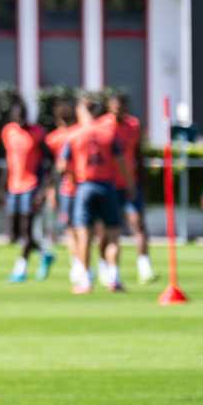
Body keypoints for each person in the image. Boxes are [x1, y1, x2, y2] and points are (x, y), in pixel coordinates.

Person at [58, 95, 131, 294]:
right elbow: (121, 162)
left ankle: (85, 281)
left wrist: (73, 179)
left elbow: (62, 166)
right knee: (113, 235)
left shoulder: (74, 134)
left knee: (84, 236)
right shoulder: (109, 133)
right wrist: (129, 185)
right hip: (107, 186)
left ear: (81, 111)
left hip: (85, 187)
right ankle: (113, 279)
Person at [99, 94, 157, 285]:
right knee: (107, 230)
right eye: (114, 107)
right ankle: (104, 265)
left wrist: (142, 179)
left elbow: (138, 153)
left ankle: (144, 266)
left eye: (121, 107)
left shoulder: (133, 125)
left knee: (137, 223)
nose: (118, 111)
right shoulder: (102, 125)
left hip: (130, 183)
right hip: (109, 184)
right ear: (109, 107)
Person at [0, 101, 49, 283]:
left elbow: (47, 163)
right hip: (14, 186)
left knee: (27, 228)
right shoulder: (8, 132)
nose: (20, 120)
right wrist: (1, 188)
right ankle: (44, 253)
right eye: (17, 116)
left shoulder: (37, 133)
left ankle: (21, 269)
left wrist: (43, 189)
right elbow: (9, 161)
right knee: (14, 234)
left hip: (31, 186)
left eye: (23, 116)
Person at [41, 101, 78, 281]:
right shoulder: (81, 133)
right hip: (85, 185)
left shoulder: (53, 139)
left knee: (70, 230)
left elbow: (51, 169)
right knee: (86, 229)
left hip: (66, 189)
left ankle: (77, 265)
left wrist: (50, 191)